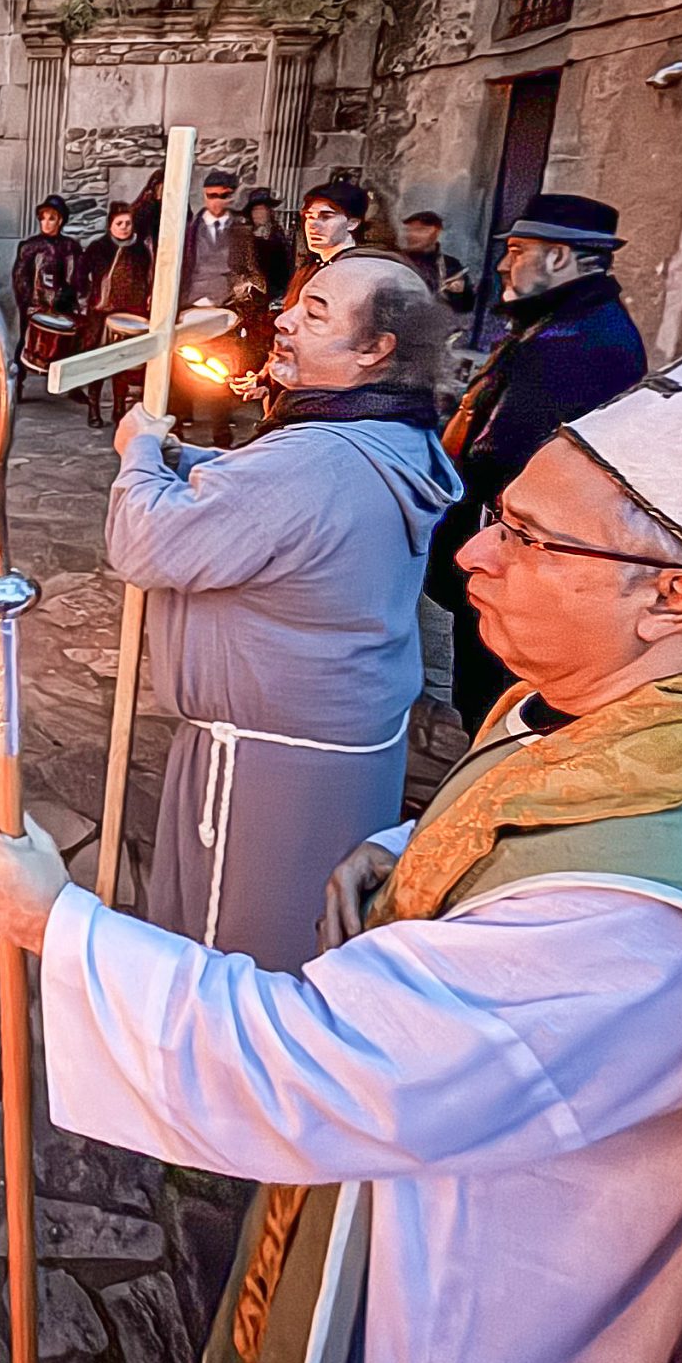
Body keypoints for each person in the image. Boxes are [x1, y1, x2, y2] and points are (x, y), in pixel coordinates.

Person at [0, 276, 682, 1363]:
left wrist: (55, 923)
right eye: (496, 518)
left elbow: (317, 1070)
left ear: (672, 601)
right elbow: (531, 822)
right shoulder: (606, 718)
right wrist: (423, 842)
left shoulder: (632, 923)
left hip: (492, 1303)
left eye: (528, 537)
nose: (469, 558)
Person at [105, 254, 461, 964]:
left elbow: (146, 544)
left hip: (265, 775)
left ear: (374, 350)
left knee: (234, 963)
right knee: (302, 944)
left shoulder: (318, 459)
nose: (286, 320)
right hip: (337, 752)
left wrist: (139, 454)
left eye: (317, 312)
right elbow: (273, 505)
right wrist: (188, 464)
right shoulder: (392, 435)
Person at [431, 193, 649, 726]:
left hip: (525, 559)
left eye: (518, 249)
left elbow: (504, 459)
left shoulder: (574, 341)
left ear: (558, 258)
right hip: (517, 554)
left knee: (497, 695)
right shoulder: (560, 323)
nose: (505, 264)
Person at [174, 169, 268, 447]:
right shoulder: (188, 228)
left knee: (219, 372)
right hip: (190, 306)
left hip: (225, 309)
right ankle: (177, 427)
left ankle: (220, 433)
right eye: (211, 196)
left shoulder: (241, 231)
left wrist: (247, 288)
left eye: (222, 196)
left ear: (230, 197)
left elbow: (251, 269)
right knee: (181, 371)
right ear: (204, 195)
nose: (216, 201)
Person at [74, 200, 155, 428]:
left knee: (123, 361)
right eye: (119, 223)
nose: (124, 227)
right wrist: (88, 296)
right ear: (110, 224)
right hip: (100, 313)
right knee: (98, 361)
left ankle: (119, 408)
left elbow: (146, 278)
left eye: (128, 223)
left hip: (129, 313)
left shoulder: (140, 250)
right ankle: (94, 408)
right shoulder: (98, 248)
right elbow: (80, 276)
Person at [10, 194, 82, 365]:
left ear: (60, 220)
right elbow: (20, 278)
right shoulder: (30, 246)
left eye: (51, 218)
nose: (46, 223)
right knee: (27, 344)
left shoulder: (70, 246)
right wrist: (29, 302)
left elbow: (76, 276)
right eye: (43, 218)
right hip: (35, 305)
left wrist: (68, 299)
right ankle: (17, 385)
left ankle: (70, 388)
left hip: (63, 306)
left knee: (67, 348)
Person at [284, 177, 366, 305]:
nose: (312, 224)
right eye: (309, 216)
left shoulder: (356, 272)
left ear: (352, 223)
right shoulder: (312, 265)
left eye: (326, 216)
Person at [399, 209, 476, 316]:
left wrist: (457, 292)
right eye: (409, 230)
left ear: (437, 232)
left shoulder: (451, 265)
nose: (413, 235)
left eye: (421, 230)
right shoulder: (396, 260)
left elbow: (465, 308)